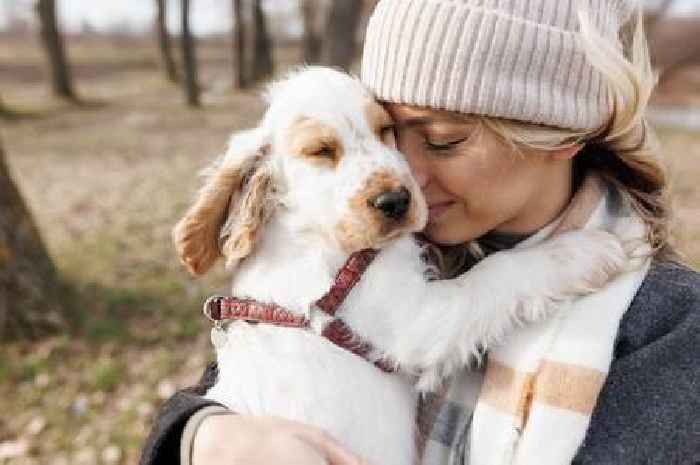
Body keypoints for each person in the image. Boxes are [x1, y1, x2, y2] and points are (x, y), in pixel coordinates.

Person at [140, 1, 700, 464]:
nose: (405, 174)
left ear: (560, 135)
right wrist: (207, 436)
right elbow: (222, 392)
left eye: (442, 140)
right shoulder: (363, 256)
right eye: (391, 132)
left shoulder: (668, 328)